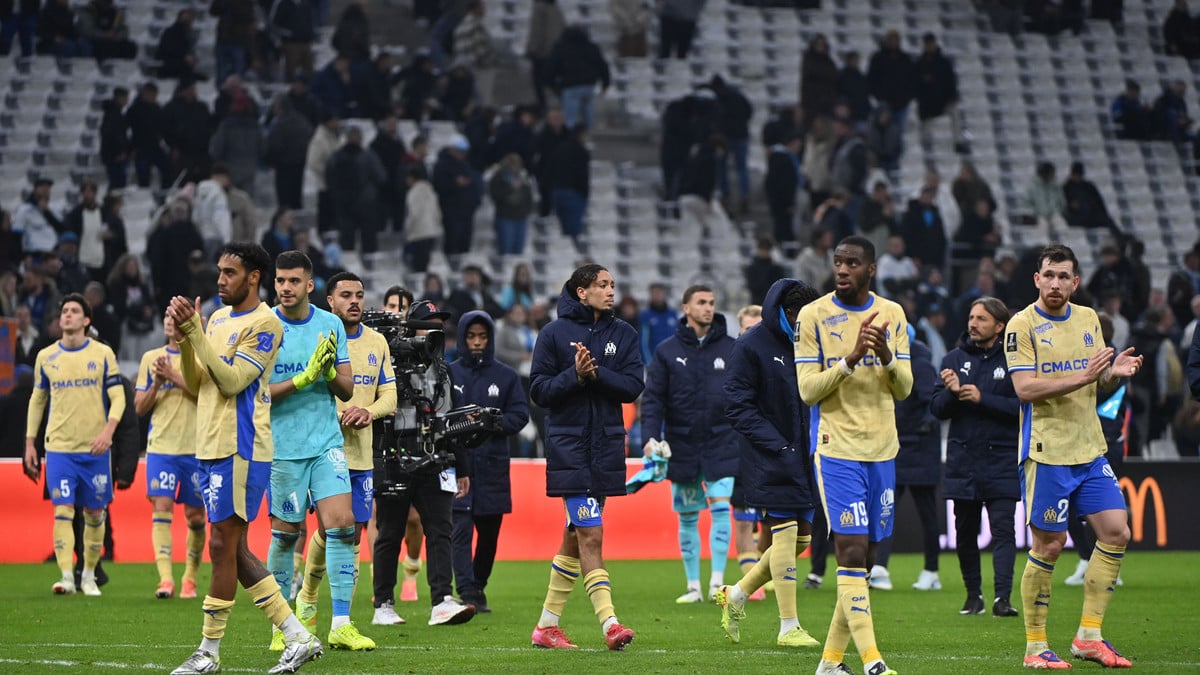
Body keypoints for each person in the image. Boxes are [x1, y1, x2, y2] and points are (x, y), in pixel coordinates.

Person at [165, 242, 321, 675]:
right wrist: (186, 340)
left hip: (243, 447)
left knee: (221, 545)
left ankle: (208, 652)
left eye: (230, 272)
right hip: (210, 444)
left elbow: (233, 381)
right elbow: (197, 382)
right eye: (219, 271)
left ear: (254, 277)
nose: (220, 280)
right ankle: (297, 635)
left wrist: (195, 333)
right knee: (233, 548)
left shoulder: (266, 323)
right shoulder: (217, 319)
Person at [1005, 243, 1141, 669]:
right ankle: (1035, 648)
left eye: (1064, 276)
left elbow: (1094, 382)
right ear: (1037, 279)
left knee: (1116, 532)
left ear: (1075, 282)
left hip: (1090, 448)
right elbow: (1024, 389)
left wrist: (1111, 375)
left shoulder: (1087, 319)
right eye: (1049, 275)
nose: (1056, 283)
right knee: (1049, 545)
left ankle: (1089, 636)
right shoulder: (1021, 325)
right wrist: (1084, 376)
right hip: (1047, 451)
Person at [795, 235, 913, 675]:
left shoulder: (893, 314)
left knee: (865, 558)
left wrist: (885, 357)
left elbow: (905, 388)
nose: (842, 270)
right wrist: (850, 359)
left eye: (852, 263)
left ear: (871, 269)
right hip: (837, 449)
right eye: (838, 262)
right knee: (850, 551)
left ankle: (829, 663)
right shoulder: (813, 315)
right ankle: (872, 661)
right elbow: (808, 391)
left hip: (882, 450)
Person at [528, 263, 642, 650]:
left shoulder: (624, 334)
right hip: (570, 448)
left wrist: (596, 375)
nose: (610, 291)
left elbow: (633, 385)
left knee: (575, 537)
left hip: (606, 447)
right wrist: (574, 376)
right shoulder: (553, 334)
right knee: (591, 534)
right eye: (602, 285)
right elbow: (539, 391)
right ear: (582, 291)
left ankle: (546, 627)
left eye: (612, 285)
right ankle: (610, 624)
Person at [261, 251, 369, 651]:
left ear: (309, 285)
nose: (286, 287)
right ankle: (282, 627)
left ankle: (341, 623)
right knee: (285, 536)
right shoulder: (265, 326)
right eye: (280, 280)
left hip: (326, 443)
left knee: (342, 526)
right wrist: (303, 379)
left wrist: (327, 373)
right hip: (283, 448)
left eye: (294, 281)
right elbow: (257, 394)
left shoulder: (330, 324)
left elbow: (347, 388)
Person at [716, 278, 823, 648]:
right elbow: (736, 405)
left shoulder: (811, 343)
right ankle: (788, 626)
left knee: (801, 540)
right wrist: (778, 445)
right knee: (786, 534)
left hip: (808, 455)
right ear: (788, 313)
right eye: (804, 316)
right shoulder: (751, 345)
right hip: (771, 455)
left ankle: (736, 594)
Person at [293, 272, 398, 626]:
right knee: (332, 529)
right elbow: (302, 390)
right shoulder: (317, 337)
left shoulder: (377, 342)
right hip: (324, 450)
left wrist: (368, 412)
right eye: (346, 295)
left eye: (359, 295)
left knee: (351, 534)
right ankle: (308, 596)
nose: (354, 301)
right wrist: (338, 415)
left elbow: (390, 395)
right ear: (330, 301)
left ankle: (342, 619)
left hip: (362, 455)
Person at [372, 299, 477, 627]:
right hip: (396, 456)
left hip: (436, 458)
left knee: (441, 530)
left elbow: (450, 418)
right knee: (390, 532)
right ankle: (383, 604)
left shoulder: (444, 370)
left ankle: (442, 600)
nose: (435, 331)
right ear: (411, 331)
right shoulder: (389, 364)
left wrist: (462, 467)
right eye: (428, 325)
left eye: (439, 325)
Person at [641, 285, 738, 603]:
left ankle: (717, 584)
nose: (708, 308)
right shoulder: (667, 351)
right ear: (686, 308)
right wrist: (650, 438)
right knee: (688, 516)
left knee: (721, 509)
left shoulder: (732, 349)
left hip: (722, 442)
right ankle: (694, 586)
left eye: (712, 302)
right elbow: (653, 400)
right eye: (701, 302)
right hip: (682, 445)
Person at [23, 294, 125, 597]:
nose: (67, 315)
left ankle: (89, 575)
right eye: (64, 311)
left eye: (74, 311)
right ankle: (67, 576)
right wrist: (30, 443)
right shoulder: (46, 357)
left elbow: (119, 397)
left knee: (95, 514)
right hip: (59, 448)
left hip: (95, 448)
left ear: (86, 320)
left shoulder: (103, 353)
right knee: (63, 510)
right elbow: (37, 400)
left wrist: (108, 432)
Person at [931, 296, 1021, 617]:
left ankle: (1002, 598)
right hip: (964, 460)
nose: (973, 323)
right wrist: (953, 393)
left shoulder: (1014, 360)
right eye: (971, 317)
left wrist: (983, 399)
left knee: (1003, 532)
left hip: (1001, 459)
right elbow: (936, 409)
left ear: (999, 326)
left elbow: (1023, 408)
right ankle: (973, 596)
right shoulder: (953, 359)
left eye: (982, 319)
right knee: (965, 533)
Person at [449, 310, 529, 612]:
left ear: (490, 339)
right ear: (462, 338)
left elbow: (520, 416)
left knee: (489, 534)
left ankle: (478, 585)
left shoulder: (507, 376)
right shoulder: (449, 374)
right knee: (459, 531)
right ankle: (467, 590)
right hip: (458, 465)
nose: (477, 342)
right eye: (471, 336)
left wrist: (490, 423)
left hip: (493, 465)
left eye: (482, 336)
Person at [134, 315, 204, 600]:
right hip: (161, 447)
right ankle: (165, 580)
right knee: (161, 508)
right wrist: (156, 384)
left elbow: (207, 396)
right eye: (165, 316)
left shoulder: (199, 356)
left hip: (196, 448)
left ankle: (190, 578)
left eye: (175, 317)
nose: (169, 321)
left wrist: (174, 376)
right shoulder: (151, 358)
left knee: (195, 516)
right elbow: (139, 408)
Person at [869, 326, 942, 593]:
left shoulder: (921, 366)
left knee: (926, 513)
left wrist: (921, 426)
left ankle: (931, 571)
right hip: (897, 447)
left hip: (919, 449)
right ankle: (879, 567)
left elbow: (931, 403)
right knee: (886, 509)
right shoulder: (890, 363)